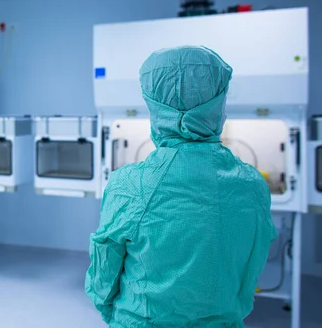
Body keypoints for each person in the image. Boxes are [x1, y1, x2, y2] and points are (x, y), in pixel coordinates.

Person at [85, 46, 277, 327]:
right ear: (218, 105)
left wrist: (116, 316)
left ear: (154, 108)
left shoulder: (128, 185)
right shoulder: (252, 186)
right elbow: (248, 277)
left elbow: (103, 281)